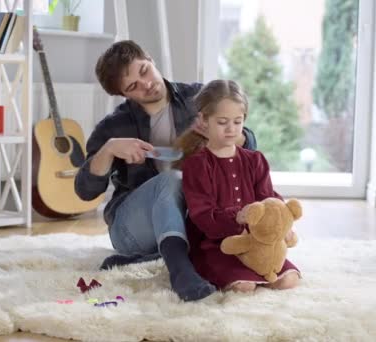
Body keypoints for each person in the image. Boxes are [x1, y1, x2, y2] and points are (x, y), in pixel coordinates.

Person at [74, 40, 257, 302]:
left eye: (144, 71)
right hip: (133, 228)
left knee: (217, 213)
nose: (146, 84)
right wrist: (109, 150)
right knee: (171, 180)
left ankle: (154, 258)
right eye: (133, 86)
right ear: (124, 95)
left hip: (192, 220)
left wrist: (221, 135)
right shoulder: (114, 126)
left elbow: (249, 146)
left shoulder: (199, 99)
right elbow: (84, 190)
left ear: (150, 59)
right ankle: (180, 272)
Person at [176, 80, 300, 293]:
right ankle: (234, 275)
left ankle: (259, 270)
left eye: (237, 121)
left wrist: (283, 226)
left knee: (288, 280)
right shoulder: (197, 165)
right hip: (214, 246)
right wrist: (238, 218)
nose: (231, 129)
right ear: (204, 121)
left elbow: (268, 198)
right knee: (243, 286)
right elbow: (203, 216)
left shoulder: (255, 160)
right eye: (222, 122)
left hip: (257, 242)